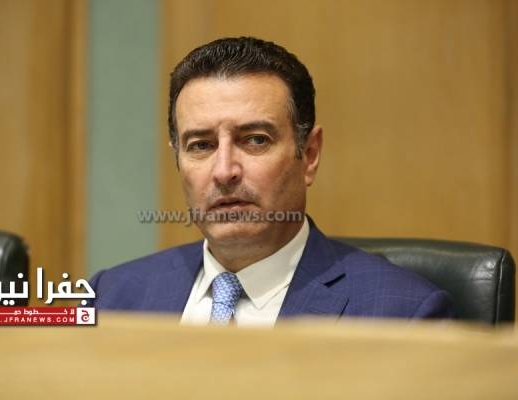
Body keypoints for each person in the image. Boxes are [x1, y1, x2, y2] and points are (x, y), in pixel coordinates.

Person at [88, 37, 453, 326]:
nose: (224, 171)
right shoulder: (109, 296)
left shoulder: (403, 314)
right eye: (201, 145)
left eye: (255, 140)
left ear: (309, 154)